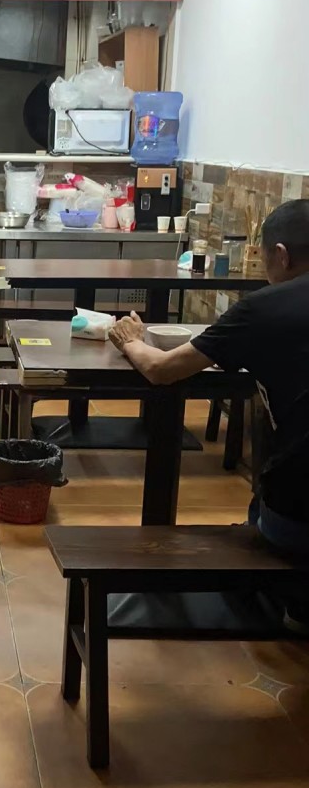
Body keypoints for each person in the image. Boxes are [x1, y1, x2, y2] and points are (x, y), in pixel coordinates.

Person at [109, 199, 309, 628]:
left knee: (270, 507)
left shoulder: (264, 308)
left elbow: (162, 370)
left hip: (297, 516)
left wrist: (130, 339)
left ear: (280, 255)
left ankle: (289, 600)